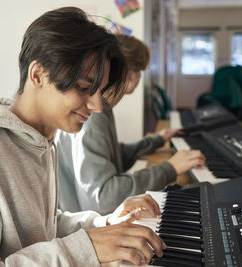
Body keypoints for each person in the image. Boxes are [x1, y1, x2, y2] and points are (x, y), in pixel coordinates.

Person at [0, 7, 167, 266]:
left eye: (99, 92)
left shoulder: (39, 142)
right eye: (83, 87)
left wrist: (103, 223)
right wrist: (86, 248)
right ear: (37, 75)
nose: (97, 106)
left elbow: (41, 228)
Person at [55, 34, 206, 215]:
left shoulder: (100, 109)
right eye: (139, 70)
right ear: (130, 75)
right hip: (89, 224)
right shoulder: (94, 115)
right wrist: (170, 168)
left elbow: (107, 157)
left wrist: (154, 141)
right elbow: (104, 198)